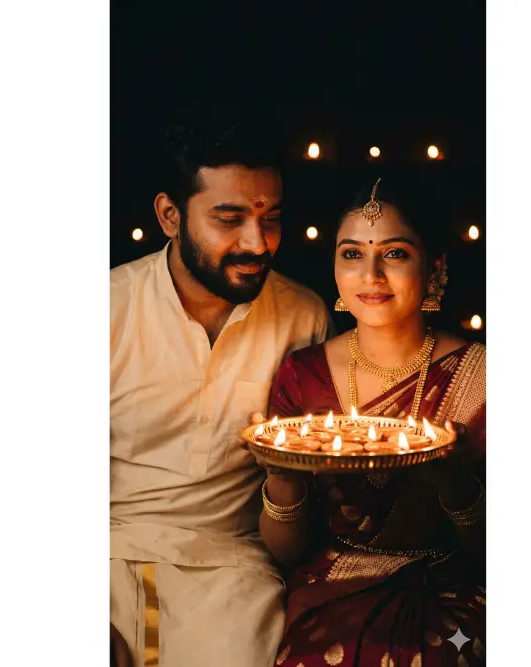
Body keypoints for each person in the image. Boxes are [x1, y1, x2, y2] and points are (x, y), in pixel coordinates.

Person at [109, 105, 334, 667]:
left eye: (271, 218)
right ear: (168, 215)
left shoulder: (303, 318)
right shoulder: (104, 308)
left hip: (233, 571)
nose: (257, 243)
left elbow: (300, 506)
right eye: (229, 218)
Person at [252, 174, 487, 667]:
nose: (371, 275)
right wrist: (281, 478)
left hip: (454, 591)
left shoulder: (482, 376)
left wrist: (457, 486)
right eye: (352, 253)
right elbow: (286, 553)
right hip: (332, 593)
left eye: (395, 253)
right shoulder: (304, 374)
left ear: (434, 266)